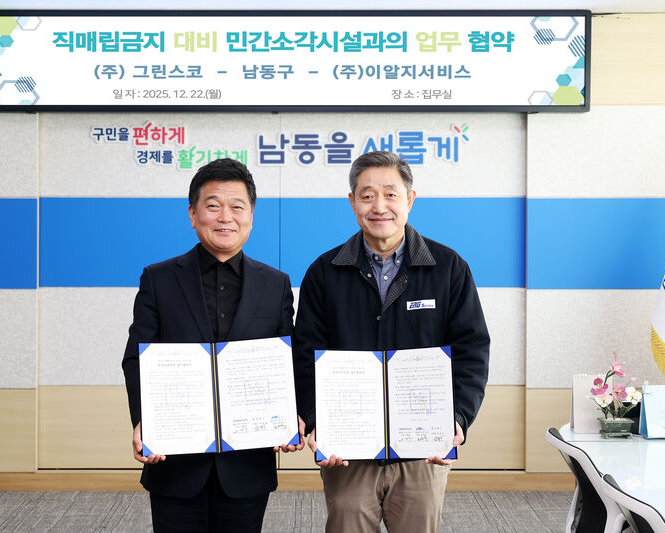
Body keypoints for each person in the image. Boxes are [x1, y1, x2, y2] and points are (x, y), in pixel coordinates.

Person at [293, 151, 490, 533]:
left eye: (390, 194)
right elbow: (305, 355)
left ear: (410, 200)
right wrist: (317, 422)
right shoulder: (324, 272)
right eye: (367, 196)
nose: (379, 206)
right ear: (352, 202)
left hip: (423, 450)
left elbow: (472, 351)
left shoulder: (448, 268)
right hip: (348, 450)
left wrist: (457, 417)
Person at [122, 158, 302, 533]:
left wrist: (292, 417)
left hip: (247, 462)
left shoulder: (276, 284)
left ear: (251, 216)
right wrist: (143, 420)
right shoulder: (158, 279)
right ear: (193, 214)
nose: (225, 217)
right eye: (213, 205)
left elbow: (288, 360)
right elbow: (137, 358)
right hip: (175, 459)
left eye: (237, 206)